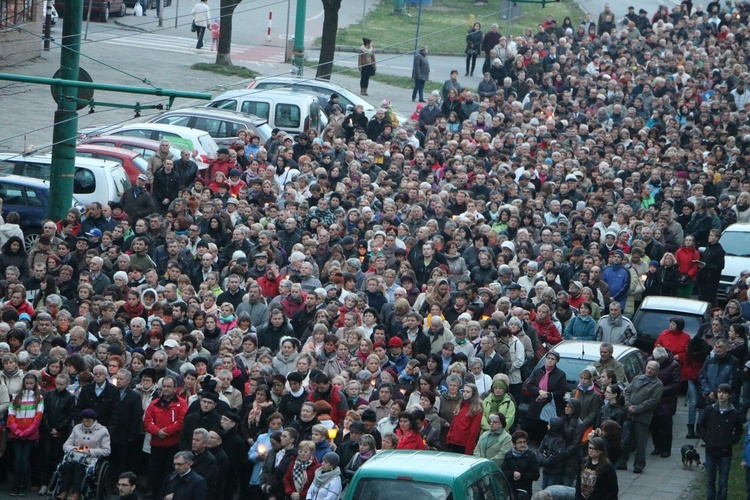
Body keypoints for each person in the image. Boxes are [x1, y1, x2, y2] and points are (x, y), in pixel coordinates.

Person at [698, 383, 743, 500]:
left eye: (724, 392)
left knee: (723, 481)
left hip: (725, 451)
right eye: (719, 392)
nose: (721, 395)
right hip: (711, 450)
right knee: (710, 480)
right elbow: (701, 426)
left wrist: (732, 440)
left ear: (729, 395)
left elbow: (739, 430)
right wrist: (706, 437)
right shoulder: (709, 410)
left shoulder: (734, 413)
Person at [619, 361, 664, 473]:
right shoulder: (637, 378)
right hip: (629, 415)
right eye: (648, 368)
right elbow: (626, 392)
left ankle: (639, 465)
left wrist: (637, 409)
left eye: (652, 369)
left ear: (657, 371)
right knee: (625, 440)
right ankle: (621, 462)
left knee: (640, 443)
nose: (649, 370)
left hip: (643, 418)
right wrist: (628, 405)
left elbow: (653, 401)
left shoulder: (658, 384)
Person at [59, 409, 112, 500]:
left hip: (91, 459)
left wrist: (90, 452)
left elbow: (106, 450)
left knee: (79, 467)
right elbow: (66, 445)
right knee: (67, 465)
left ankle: (76, 493)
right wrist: (74, 449)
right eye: (84, 421)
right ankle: (64, 491)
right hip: (74, 456)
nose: (86, 423)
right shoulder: (77, 428)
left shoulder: (102, 431)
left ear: (94, 420)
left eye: (88, 421)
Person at [7, 373, 44, 496]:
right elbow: (10, 416)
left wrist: (28, 431)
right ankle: (15, 486)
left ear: (35, 384)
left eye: (31, 383)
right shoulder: (16, 397)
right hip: (16, 435)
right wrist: (17, 431)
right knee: (18, 460)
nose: (29, 385)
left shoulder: (39, 398)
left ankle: (23, 486)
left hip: (30, 435)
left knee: (25, 460)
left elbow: (38, 418)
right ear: (24, 383)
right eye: (27, 383)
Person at [445, 383, 483, 454]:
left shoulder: (476, 410)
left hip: (463, 445)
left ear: (473, 394)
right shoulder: (460, 406)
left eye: (468, 392)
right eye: (464, 391)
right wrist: (448, 437)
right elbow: (453, 424)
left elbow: (474, 431)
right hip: (452, 442)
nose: (465, 394)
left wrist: (469, 449)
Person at [502, 430, 540, 495]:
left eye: (524, 442)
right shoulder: (508, 455)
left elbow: (536, 475)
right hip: (511, 490)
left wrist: (521, 475)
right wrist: (512, 474)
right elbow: (503, 471)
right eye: (519, 442)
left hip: (525, 491)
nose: (522, 445)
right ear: (514, 444)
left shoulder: (531, 456)